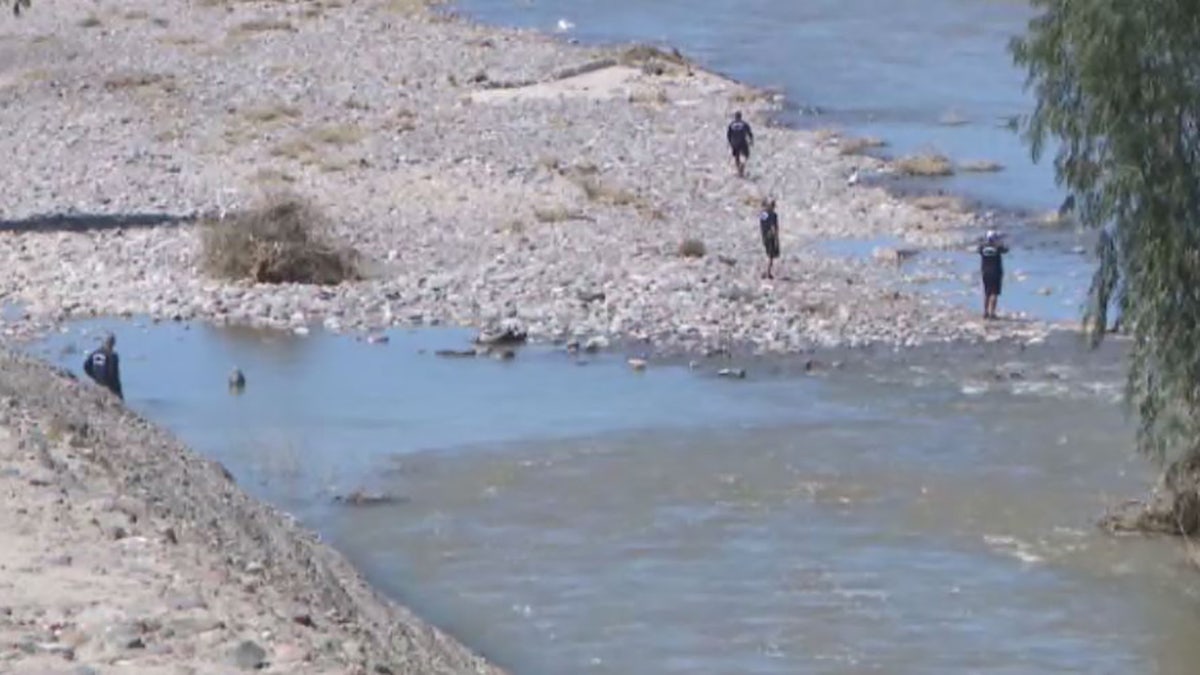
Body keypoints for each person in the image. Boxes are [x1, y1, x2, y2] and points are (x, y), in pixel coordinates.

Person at [978, 230, 1009, 320]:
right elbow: (1006, 250)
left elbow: (979, 249)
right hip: (996, 272)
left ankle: (985, 312)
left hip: (985, 272)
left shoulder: (982, 248)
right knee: (994, 293)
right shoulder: (998, 248)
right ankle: (992, 313)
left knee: (987, 293)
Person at [83, 333, 124, 400]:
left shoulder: (96, 353)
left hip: (97, 381)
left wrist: (93, 376)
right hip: (108, 384)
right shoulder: (113, 356)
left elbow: (86, 366)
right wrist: (118, 390)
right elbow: (113, 373)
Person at [727, 111, 754, 178]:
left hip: (734, 142)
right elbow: (749, 133)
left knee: (736, 156)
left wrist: (730, 142)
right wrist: (751, 140)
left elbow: (729, 135)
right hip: (742, 142)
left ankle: (739, 169)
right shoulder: (744, 124)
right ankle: (742, 166)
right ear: (740, 117)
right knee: (746, 155)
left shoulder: (731, 124)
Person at [759, 198, 780, 279]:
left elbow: (762, 223)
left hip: (765, 235)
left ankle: (767, 271)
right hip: (770, 236)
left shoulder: (764, 214)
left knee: (770, 254)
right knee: (770, 254)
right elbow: (773, 226)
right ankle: (767, 272)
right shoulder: (772, 215)